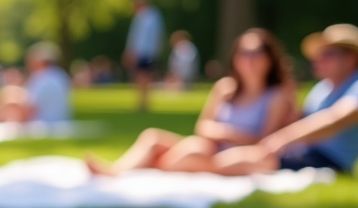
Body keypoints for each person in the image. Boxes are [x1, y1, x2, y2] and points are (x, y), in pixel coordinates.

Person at [87, 28, 295, 176]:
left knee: (198, 153)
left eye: (256, 53)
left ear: (270, 58)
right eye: (243, 53)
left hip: (244, 154)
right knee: (154, 137)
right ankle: (116, 171)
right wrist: (218, 134)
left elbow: (266, 141)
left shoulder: (276, 95)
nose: (249, 60)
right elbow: (202, 126)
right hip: (212, 147)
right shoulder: (225, 88)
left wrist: (226, 134)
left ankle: (157, 167)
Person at [212, 24, 358, 175]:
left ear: (351, 59)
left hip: (327, 160)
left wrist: (283, 138)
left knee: (236, 162)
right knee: (230, 159)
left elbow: (335, 118)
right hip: (302, 153)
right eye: (318, 55)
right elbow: (302, 120)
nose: (318, 60)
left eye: (327, 54)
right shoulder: (323, 88)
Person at [123, 0, 164, 111]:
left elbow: (153, 36)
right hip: (141, 52)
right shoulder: (141, 16)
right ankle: (141, 102)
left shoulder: (151, 16)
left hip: (146, 53)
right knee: (140, 77)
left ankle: (144, 103)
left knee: (144, 77)